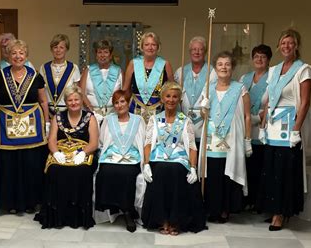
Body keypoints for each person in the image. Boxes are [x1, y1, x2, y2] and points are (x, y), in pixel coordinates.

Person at [257, 29, 311, 231]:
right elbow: (268, 100)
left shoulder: (303, 70)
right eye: (283, 43)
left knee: (285, 171)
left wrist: (296, 130)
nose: (286, 46)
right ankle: (273, 209)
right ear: (279, 45)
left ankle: (281, 214)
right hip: (273, 127)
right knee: (271, 169)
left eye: (290, 43)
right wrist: (262, 124)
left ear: (297, 45)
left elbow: (305, 102)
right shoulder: (274, 70)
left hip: (290, 126)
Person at [0, 39, 50, 214]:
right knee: (9, 165)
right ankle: (10, 202)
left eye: (21, 53)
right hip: (6, 125)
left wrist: (46, 122)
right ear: (8, 56)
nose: (18, 56)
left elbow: (43, 101)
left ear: (26, 55)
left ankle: (30, 202)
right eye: (14, 53)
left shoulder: (36, 75)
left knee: (30, 164)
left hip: (32, 125)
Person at [141, 82, 206, 235]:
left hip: (179, 159)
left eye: (175, 97)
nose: (171, 100)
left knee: (176, 170)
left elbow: (191, 146)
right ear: (162, 98)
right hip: (158, 158)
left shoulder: (185, 120)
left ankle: (176, 221)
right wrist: (146, 164)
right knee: (162, 170)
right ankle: (162, 219)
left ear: (179, 100)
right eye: (168, 96)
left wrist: (193, 168)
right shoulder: (154, 119)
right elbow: (148, 143)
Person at [35, 84, 99, 229]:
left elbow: (94, 143)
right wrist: (56, 153)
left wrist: (83, 153)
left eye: (76, 99)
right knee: (55, 170)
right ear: (66, 102)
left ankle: (77, 217)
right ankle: (57, 217)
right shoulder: (58, 116)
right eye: (70, 100)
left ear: (81, 100)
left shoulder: (90, 117)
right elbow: (51, 139)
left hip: (84, 152)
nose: (73, 103)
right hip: (61, 151)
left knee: (81, 170)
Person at [199, 51, 252, 223]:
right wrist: (203, 107)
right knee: (212, 173)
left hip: (231, 139)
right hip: (212, 140)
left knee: (226, 174)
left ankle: (225, 209)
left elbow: (247, 116)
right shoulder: (209, 87)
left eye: (227, 64)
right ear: (215, 67)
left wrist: (247, 141)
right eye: (220, 64)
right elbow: (202, 114)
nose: (223, 67)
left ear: (233, 67)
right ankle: (211, 209)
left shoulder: (240, 88)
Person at [95, 90, 145, 232]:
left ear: (128, 102)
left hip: (132, 157)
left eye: (122, 101)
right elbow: (102, 140)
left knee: (127, 174)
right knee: (106, 171)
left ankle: (128, 212)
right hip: (111, 156)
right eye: (116, 102)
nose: (119, 105)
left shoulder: (138, 120)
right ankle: (115, 208)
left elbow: (142, 141)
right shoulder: (108, 120)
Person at [239, 44, 272, 210]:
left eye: (263, 57)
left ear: (268, 60)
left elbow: (270, 104)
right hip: (244, 128)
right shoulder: (245, 78)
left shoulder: (272, 78)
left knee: (258, 166)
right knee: (245, 165)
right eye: (256, 56)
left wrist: (254, 118)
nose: (259, 59)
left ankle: (257, 202)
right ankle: (245, 200)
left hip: (260, 128)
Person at [174, 36, 217, 144]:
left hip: (204, 122)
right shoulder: (181, 71)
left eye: (200, 49)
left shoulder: (213, 72)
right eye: (194, 49)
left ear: (205, 52)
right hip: (184, 120)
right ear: (189, 51)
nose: (197, 52)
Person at [123, 32, 174, 122]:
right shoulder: (133, 63)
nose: (150, 48)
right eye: (147, 44)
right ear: (142, 47)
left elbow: (172, 90)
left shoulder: (165, 64)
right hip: (135, 109)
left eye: (153, 45)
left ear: (158, 47)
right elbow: (125, 90)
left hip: (159, 110)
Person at [79, 39, 123, 125]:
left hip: (114, 115)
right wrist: (92, 112)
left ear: (110, 55)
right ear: (96, 55)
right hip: (91, 115)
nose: (102, 55)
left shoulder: (119, 71)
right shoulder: (88, 70)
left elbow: (124, 94)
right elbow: (81, 93)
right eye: (99, 52)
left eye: (106, 52)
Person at [39, 34, 81, 118]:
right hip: (47, 114)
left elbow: (77, 94)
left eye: (61, 47)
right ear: (51, 49)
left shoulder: (73, 68)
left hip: (68, 113)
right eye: (55, 47)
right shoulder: (44, 68)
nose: (58, 50)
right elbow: (41, 95)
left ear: (66, 49)